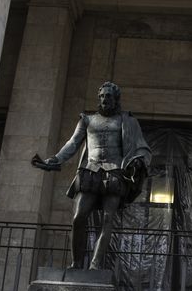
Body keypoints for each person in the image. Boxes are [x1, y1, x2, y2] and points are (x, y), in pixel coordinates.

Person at [31, 81, 151, 269]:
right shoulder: (87, 120)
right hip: (90, 170)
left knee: (107, 219)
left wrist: (139, 161)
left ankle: (95, 264)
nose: (105, 100)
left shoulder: (127, 121)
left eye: (108, 96)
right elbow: (72, 144)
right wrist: (54, 160)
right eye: (102, 96)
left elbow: (142, 147)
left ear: (116, 99)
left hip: (115, 173)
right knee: (79, 216)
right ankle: (76, 262)